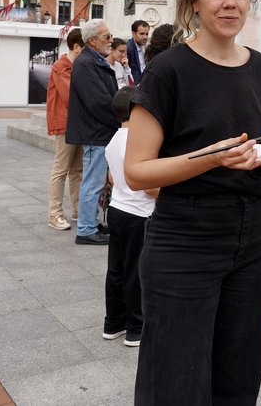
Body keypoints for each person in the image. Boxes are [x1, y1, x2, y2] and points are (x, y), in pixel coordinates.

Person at [124, 0, 261, 404]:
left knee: (238, 375)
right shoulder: (168, 71)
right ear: (193, 0)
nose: (230, 3)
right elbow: (137, 171)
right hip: (185, 237)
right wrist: (211, 157)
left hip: (253, 236)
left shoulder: (259, 67)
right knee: (175, 379)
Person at [103, 86, 158, 349]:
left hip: (117, 210)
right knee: (136, 272)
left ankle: (113, 323)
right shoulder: (138, 141)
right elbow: (149, 187)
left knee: (116, 268)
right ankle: (136, 328)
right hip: (139, 213)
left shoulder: (114, 139)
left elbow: (113, 177)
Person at [66, 19, 120, 246]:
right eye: (106, 37)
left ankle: (92, 222)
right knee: (93, 181)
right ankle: (86, 229)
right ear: (91, 40)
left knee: (96, 181)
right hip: (95, 131)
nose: (111, 40)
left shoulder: (95, 61)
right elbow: (98, 101)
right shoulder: (87, 63)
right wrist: (120, 119)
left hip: (99, 130)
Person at [46, 28, 84, 231]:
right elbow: (72, 96)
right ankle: (55, 213)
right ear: (76, 47)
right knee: (61, 169)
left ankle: (78, 210)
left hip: (76, 123)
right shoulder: (61, 67)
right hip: (64, 123)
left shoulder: (74, 66)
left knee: (77, 170)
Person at [126, 20, 150, 84]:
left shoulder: (144, 47)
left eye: (147, 34)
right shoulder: (129, 48)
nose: (145, 37)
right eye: (142, 34)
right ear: (134, 34)